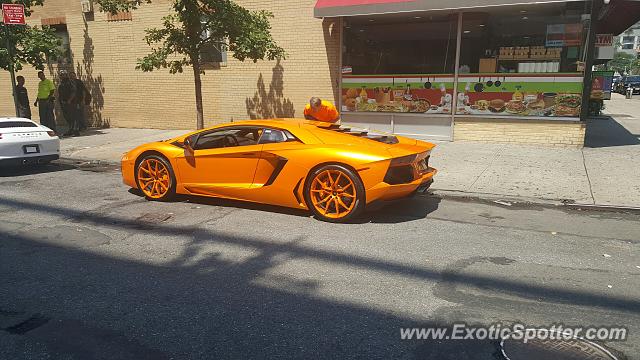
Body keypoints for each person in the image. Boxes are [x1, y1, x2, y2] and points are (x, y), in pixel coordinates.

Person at [57, 70, 79, 136]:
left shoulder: (70, 82)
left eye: (62, 74)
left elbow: (73, 92)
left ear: (66, 75)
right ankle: (70, 130)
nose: (61, 76)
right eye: (60, 75)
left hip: (71, 103)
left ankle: (75, 131)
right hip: (63, 103)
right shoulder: (61, 83)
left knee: (73, 117)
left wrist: (69, 100)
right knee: (67, 117)